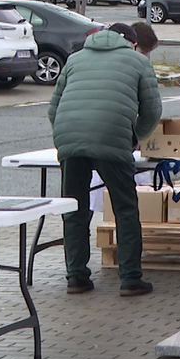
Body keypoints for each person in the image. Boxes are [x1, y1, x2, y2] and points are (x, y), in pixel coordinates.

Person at [49, 22, 161, 296]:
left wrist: (68, 136)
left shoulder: (74, 59)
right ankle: (131, 278)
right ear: (133, 44)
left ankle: (76, 276)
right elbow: (152, 110)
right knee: (124, 208)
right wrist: (135, 136)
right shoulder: (138, 62)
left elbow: (54, 108)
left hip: (69, 137)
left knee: (74, 207)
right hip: (112, 137)